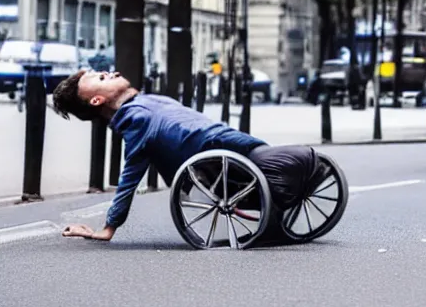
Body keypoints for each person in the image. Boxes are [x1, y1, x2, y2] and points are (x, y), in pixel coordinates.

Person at [50, 69, 320, 244]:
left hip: (233, 148)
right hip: (225, 151)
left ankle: (275, 204)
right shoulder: (135, 119)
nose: (112, 72)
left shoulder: (144, 102)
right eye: (102, 78)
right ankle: (275, 206)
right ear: (96, 100)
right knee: (295, 161)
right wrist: (108, 227)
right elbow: (130, 177)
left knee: (292, 161)